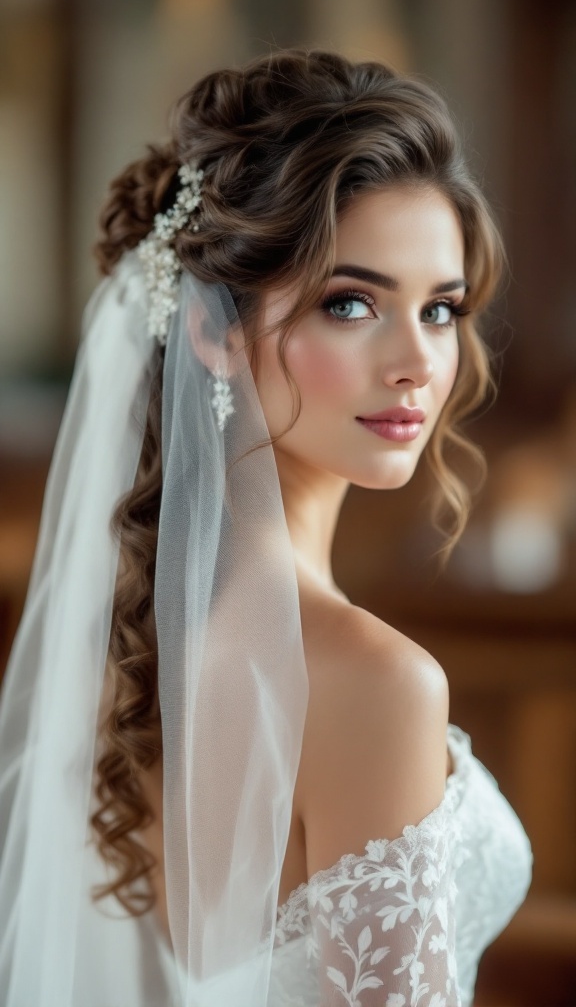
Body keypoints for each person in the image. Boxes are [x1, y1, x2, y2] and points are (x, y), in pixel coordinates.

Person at [0, 49, 532, 1007]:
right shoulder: (379, 683)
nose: (418, 360)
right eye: (352, 303)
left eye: (442, 308)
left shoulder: (130, 648)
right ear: (213, 329)